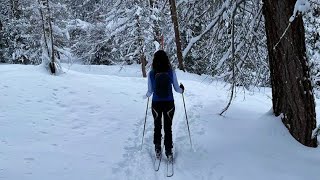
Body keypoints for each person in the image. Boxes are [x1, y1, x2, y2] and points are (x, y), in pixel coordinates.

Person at [145, 50, 184, 160]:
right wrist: (182, 89)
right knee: (168, 127)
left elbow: (150, 90)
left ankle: (157, 148)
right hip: (169, 103)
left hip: (156, 103)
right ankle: (168, 151)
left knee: (157, 126)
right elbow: (177, 89)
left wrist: (146, 95)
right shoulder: (170, 72)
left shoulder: (151, 73)